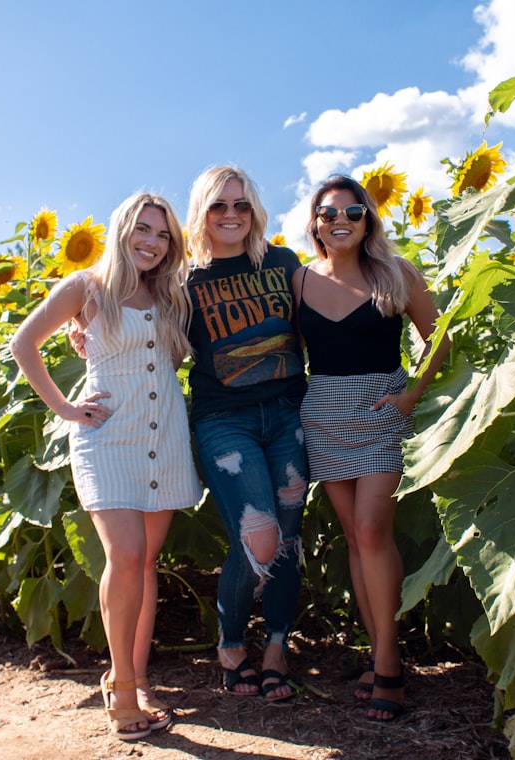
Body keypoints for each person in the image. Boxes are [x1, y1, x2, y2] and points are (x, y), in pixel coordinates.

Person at [9, 192, 203, 741]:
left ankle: (136, 679)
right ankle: (120, 693)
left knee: (146, 564)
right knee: (126, 554)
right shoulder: (86, 287)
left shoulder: (168, 292)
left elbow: (167, 361)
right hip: (106, 436)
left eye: (162, 234)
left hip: (164, 437)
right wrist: (66, 409)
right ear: (122, 230)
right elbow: (24, 342)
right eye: (142, 229)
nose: (151, 241)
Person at [294, 175, 450, 722]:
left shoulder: (395, 273)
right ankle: (380, 651)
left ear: (368, 219)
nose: (340, 220)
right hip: (324, 412)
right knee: (355, 542)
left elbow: (440, 339)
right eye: (327, 212)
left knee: (371, 532)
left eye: (352, 211)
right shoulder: (298, 281)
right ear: (314, 222)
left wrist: (410, 396)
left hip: (381, 408)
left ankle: (388, 661)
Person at [185, 166, 309, 702]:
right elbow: (131, 304)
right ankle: (232, 643)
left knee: (287, 536)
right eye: (219, 206)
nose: (232, 215)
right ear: (202, 214)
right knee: (257, 535)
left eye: (241, 204)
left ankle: (277, 646)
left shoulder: (281, 262)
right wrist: (84, 322)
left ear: (255, 210)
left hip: (286, 413)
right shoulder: (183, 279)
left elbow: (320, 320)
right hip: (223, 420)